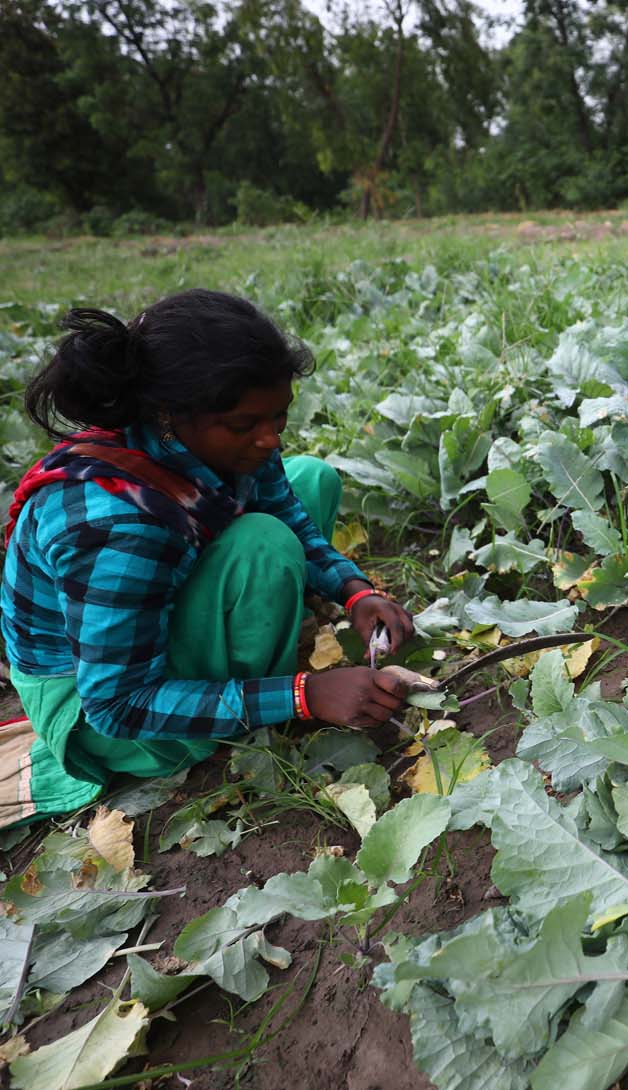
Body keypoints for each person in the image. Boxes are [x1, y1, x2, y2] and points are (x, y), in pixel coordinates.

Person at [1, 289, 416, 828]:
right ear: (170, 415)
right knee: (263, 547)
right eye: (246, 425)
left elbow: (288, 510)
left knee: (311, 478)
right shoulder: (114, 522)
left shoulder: (215, 443)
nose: (270, 438)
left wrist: (355, 590)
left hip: (145, 611)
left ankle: (256, 650)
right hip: (101, 711)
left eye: (279, 417)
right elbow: (119, 705)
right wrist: (303, 694)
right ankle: (244, 704)